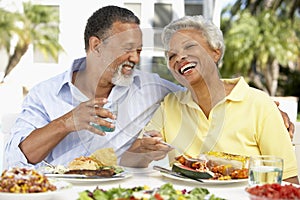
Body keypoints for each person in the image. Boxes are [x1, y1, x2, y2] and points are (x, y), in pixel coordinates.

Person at [4, 6, 294, 169]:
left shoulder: (153, 89)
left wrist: (268, 109)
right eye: (128, 48)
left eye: (140, 50)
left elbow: (200, 85)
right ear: (96, 46)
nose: (135, 58)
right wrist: (67, 122)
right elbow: (15, 159)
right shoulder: (45, 93)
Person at [120, 15, 299, 184]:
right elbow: (128, 160)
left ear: (215, 53)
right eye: (172, 55)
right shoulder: (169, 105)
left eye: (189, 46)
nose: (179, 57)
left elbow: (288, 182)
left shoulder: (259, 104)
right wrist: (145, 149)